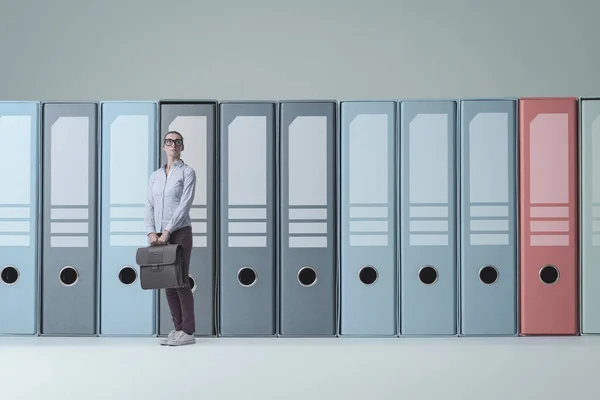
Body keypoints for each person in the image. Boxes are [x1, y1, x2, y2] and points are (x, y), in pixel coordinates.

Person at [144, 130, 197, 346]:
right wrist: (150, 231)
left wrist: (167, 230)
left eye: (177, 142)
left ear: (182, 147)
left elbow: (185, 204)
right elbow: (149, 205)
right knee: (168, 282)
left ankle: (188, 331)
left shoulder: (188, 173)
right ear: (164, 147)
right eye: (169, 141)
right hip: (158, 234)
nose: (173, 144)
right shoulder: (155, 176)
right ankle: (177, 329)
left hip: (179, 232)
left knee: (181, 281)